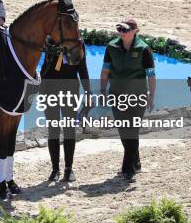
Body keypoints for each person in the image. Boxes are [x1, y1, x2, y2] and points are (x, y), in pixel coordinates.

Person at [100, 18, 156, 182]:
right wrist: (103, 91)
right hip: (116, 95)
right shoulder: (111, 47)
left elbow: (151, 76)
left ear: (135, 31)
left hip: (137, 96)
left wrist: (151, 96)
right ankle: (136, 161)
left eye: (125, 30)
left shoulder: (144, 49)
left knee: (132, 130)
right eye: (119, 30)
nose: (121, 33)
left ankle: (127, 167)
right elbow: (105, 72)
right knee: (124, 131)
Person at [40, 42, 92, 183]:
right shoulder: (50, 42)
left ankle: (69, 169)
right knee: (53, 130)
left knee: (69, 130)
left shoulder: (78, 44)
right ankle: (55, 169)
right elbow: (44, 70)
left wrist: (88, 92)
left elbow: (83, 69)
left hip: (70, 90)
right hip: (49, 90)